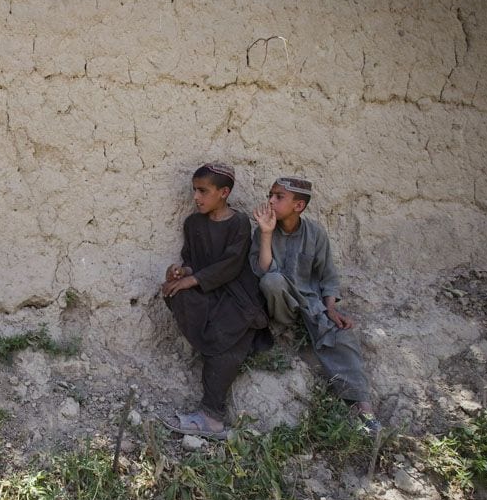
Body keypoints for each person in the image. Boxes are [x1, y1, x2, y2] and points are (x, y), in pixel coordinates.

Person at [251, 176, 381, 433]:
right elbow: (262, 271)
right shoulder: (263, 230)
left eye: (279, 197)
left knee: (342, 337)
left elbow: (328, 277)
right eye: (270, 195)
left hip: (311, 305)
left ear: (298, 206)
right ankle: (286, 330)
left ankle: (363, 409)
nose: (271, 201)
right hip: (281, 305)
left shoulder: (316, 234)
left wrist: (331, 308)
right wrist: (266, 233)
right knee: (273, 281)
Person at [162, 163, 271, 438]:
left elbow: (231, 265)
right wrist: (181, 273)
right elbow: (192, 261)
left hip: (237, 295)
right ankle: (208, 341)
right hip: (209, 292)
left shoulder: (239, 223)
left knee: (228, 341)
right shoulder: (193, 223)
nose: (196, 197)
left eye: (203, 191)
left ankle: (212, 416)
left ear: (223, 192)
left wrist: (192, 279)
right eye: (194, 191)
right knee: (175, 291)